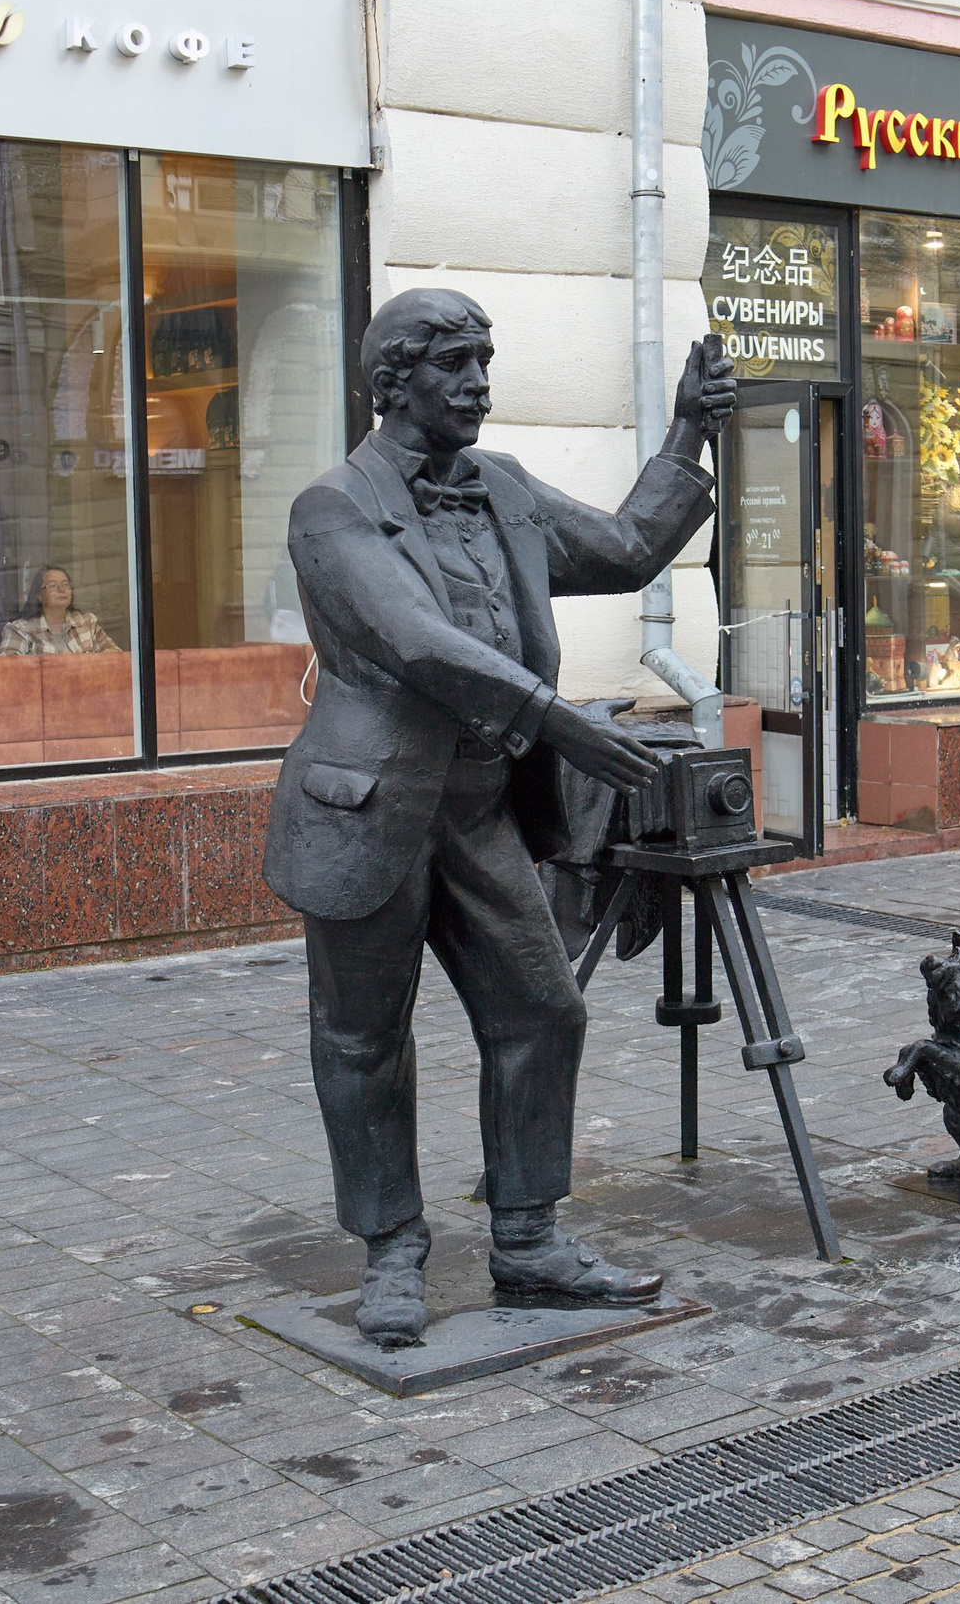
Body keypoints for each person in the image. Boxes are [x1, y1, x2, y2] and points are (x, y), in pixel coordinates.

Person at [262, 287, 736, 1346]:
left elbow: (621, 550)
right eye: (456, 364)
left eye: (485, 359)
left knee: (541, 1012)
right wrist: (560, 724)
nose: (480, 383)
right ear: (393, 381)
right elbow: (416, 640)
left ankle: (527, 1240)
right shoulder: (331, 507)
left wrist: (689, 431)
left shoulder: (505, 490)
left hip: (478, 814)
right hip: (367, 811)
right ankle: (391, 1251)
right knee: (362, 1041)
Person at [0, 565, 121, 655]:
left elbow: (115, 655)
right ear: (39, 595)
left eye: (66, 584)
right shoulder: (20, 629)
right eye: (52, 585)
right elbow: (8, 671)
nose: (61, 589)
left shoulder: (87, 622)